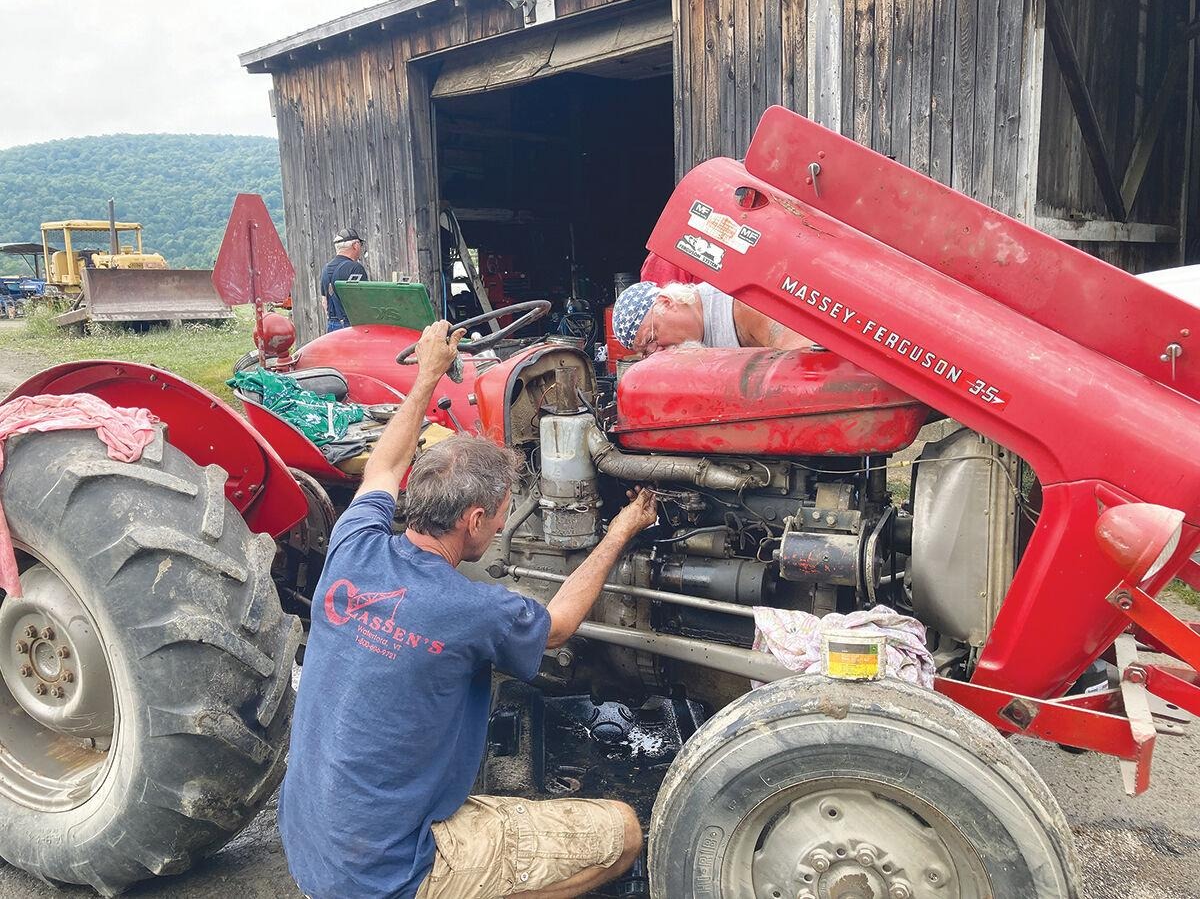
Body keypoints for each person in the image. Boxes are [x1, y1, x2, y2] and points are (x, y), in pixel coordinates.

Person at [280, 320, 656, 899]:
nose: (508, 522)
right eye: (504, 512)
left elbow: (383, 464)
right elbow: (557, 626)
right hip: (386, 877)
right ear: (474, 520)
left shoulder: (353, 543)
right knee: (624, 832)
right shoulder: (475, 608)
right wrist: (623, 529)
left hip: (313, 848)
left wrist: (429, 372)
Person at [612, 280, 812, 354]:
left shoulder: (739, 305)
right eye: (647, 351)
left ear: (666, 302)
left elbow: (803, 359)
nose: (657, 352)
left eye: (651, 339)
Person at [319, 226, 368, 331]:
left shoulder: (325, 269)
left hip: (331, 326)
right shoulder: (355, 268)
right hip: (351, 326)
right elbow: (363, 302)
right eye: (360, 244)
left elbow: (324, 302)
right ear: (355, 245)